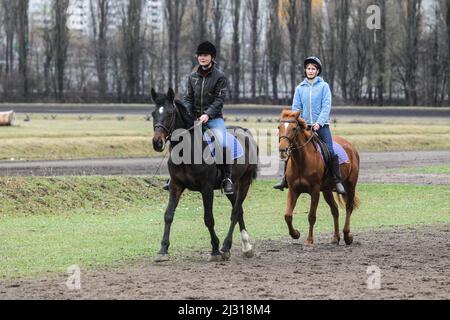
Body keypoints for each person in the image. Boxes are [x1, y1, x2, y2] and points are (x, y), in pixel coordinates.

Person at [163, 41, 234, 195]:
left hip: (214, 119)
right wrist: (187, 112)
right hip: (194, 118)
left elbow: (219, 100)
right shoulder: (192, 77)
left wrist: (207, 114)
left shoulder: (220, 77)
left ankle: (227, 179)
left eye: (205, 55)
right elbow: (188, 98)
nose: (202, 58)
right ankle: (173, 178)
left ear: (212, 57)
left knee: (222, 142)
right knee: (178, 139)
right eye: (200, 55)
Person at [273, 56, 346, 195]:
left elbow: (326, 107)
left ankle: (337, 181)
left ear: (317, 71)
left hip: (321, 126)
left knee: (330, 151)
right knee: (291, 148)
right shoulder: (300, 88)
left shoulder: (324, 87)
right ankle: (284, 179)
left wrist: (319, 123)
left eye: (313, 68)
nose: (310, 71)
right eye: (308, 68)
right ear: (305, 71)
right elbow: (295, 108)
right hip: (303, 126)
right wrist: (300, 122)